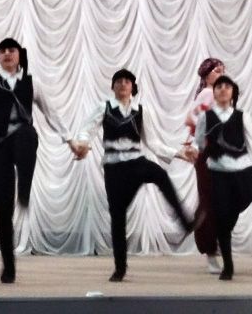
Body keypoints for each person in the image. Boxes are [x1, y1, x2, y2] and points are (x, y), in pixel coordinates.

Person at [0, 38, 75, 283]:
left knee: (27, 133)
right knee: (2, 208)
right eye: (3, 51)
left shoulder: (32, 82)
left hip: (21, 138)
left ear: (20, 54)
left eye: (12, 50)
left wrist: (70, 140)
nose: (7, 54)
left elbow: (51, 113)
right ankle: (8, 263)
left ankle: (25, 189)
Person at [72, 69, 195, 282]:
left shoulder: (141, 111)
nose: (122, 84)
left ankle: (185, 222)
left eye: (127, 81)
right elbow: (87, 130)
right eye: (118, 81)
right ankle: (120, 268)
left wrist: (178, 153)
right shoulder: (104, 107)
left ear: (132, 87)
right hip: (114, 167)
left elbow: (153, 143)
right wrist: (82, 143)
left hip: (136, 162)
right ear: (113, 86)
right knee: (118, 217)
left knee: (160, 174)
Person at [196, 75, 252, 280]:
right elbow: (200, 143)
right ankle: (228, 266)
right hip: (220, 174)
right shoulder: (205, 117)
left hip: (244, 171)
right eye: (219, 87)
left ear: (233, 93)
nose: (223, 89)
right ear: (214, 92)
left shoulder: (243, 116)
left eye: (227, 86)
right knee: (223, 220)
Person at [185, 57, 226, 273]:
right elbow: (192, 119)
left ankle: (214, 243)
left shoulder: (220, 95)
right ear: (207, 74)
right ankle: (210, 250)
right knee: (209, 201)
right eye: (216, 71)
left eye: (222, 71)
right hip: (208, 154)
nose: (221, 74)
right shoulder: (208, 94)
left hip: (223, 155)